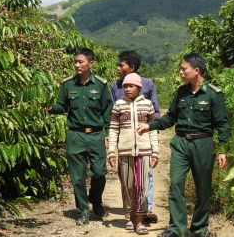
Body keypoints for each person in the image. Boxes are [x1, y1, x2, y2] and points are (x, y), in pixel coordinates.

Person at [135, 53, 229, 237]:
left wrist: (223, 150)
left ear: (196, 70)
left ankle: (199, 227)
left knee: (203, 187)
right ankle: (176, 229)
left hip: (203, 143)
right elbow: (171, 117)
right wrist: (150, 125)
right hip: (180, 143)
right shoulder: (181, 92)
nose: (180, 72)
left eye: (183, 68)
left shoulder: (213, 94)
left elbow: (222, 124)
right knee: (176, 184)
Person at [45, 48, 113, 225]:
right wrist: (49, 108)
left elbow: (108, 111)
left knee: (99, 172)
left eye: (80, 62)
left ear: (91, 63)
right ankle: (82, 211)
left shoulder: (100, 84)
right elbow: (62, 105)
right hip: (75, 136)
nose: (76, 65)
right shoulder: (68, 84)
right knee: (77, 177)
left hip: (96, 135)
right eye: (75, 61)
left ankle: (95, 199)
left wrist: (108, 134)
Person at [110, 50, 160, 224]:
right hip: (125, 143)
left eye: (121, 65)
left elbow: (155, 111)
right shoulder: (115, 86)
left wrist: (154, 143)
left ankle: (147, 208)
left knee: (146, 177)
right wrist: (112, 144)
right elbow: (113, 118)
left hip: (144, 142)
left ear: (132, 67)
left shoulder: (148, 84)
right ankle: (130, 211)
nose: (118, 68)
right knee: (128, 180)